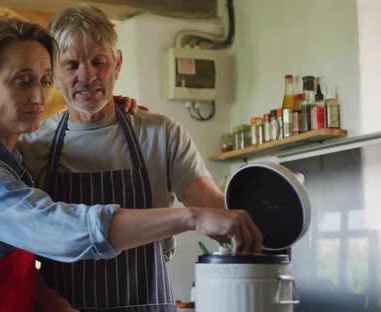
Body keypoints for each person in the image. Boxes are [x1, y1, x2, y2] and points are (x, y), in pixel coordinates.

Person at [0, 16, 261, 312]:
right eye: (24, 82)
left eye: (42, 81)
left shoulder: (9, 155)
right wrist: (190, 216)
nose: (39, 97)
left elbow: (11, 251)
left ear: (116, 63)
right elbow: (54, 228)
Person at [17, 4, 261, 312]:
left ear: (117, 63)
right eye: (71, 65)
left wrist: (263, 211)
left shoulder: (162, 135)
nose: (87, 76)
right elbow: (17, 254)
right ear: (53, 73)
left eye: (98, 61)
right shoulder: (33, 147)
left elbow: (210, 207)